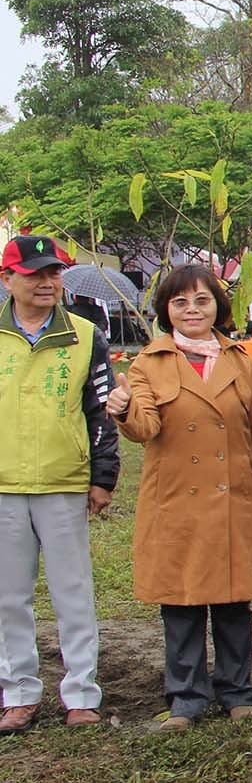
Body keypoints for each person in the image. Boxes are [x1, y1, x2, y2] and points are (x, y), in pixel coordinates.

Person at [106, 265, 252, 731]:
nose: (192, 310)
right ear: (166, 309)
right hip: (177, 504)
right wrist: (124, 411)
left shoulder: (241, 361)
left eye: (201, 300)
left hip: (234, 500)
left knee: (233, 604)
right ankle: (185, 698)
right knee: (181, 605)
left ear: (217, 307)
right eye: (180, 302)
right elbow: (145, 429)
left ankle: (237, 691)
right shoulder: (148, 362)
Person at [0, 235, 118, 734]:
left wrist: (102, 475)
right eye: (35, 274)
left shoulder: (86, 335)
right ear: (8, 280)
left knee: (73, 593)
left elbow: (101, 411)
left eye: (54, 273)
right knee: (9, 597)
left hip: (65, 481)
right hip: (4, 484)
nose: (48, 282)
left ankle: (81, 694)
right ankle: (19, 694)